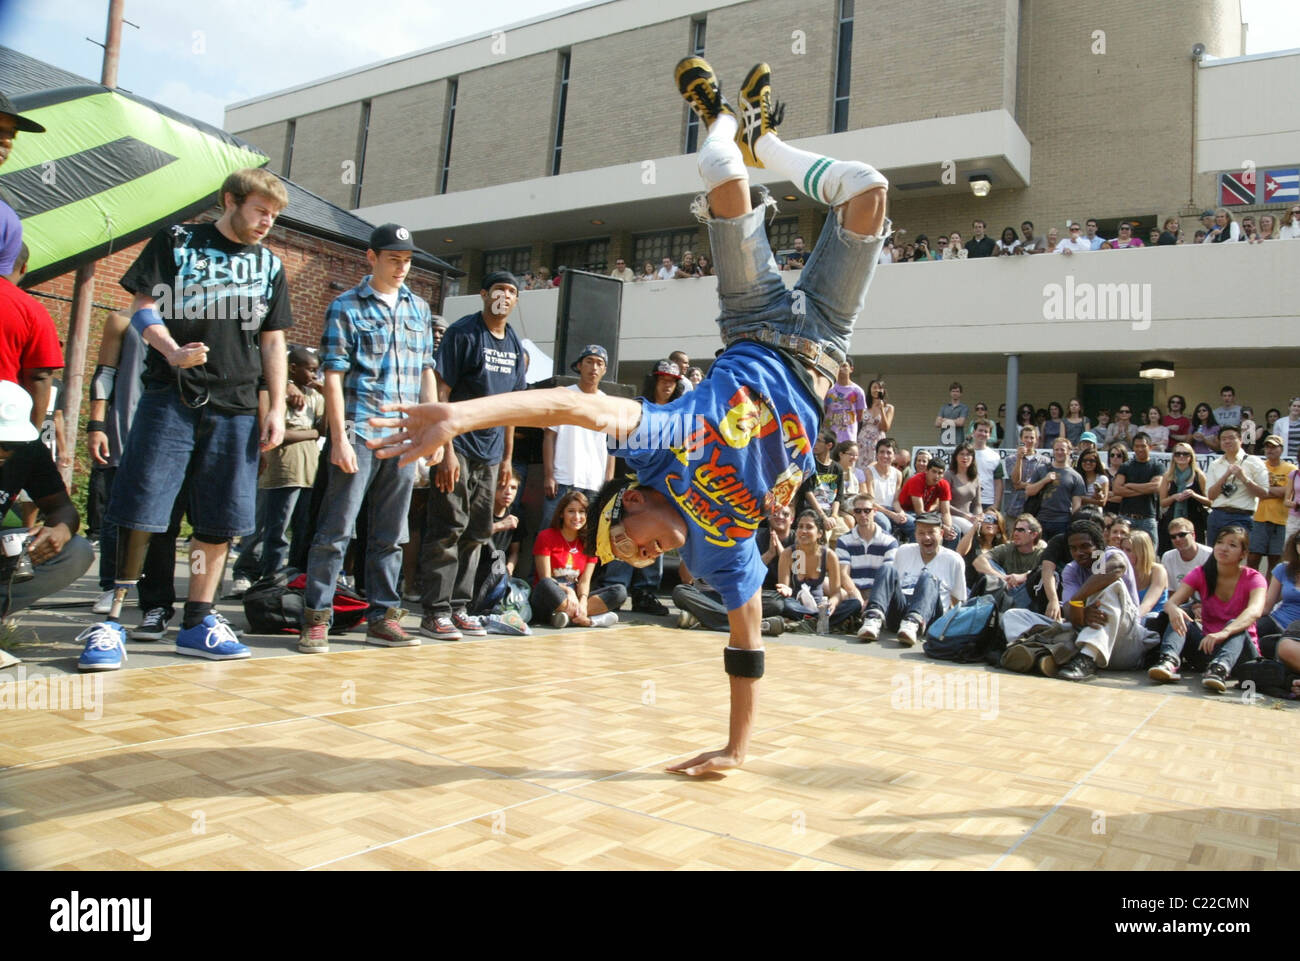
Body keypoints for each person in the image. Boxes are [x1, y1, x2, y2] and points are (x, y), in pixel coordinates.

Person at [369, 55, 892, 775]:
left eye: (634, 542)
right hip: (827, 342)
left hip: (754, 318)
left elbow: (572, 405)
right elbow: (746, 645)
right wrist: (737, 750)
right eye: (641, 558)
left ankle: (740, 130)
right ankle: (759, 137)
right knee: (868, 190)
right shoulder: (719, 554)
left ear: (635, 500)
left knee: (727, 178)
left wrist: (460, 416)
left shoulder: (668, 447)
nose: (647, 554)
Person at [87, 167, 292, 670]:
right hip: (171, 397)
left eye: (274, 215)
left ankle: (199, 620)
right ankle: (112, 621)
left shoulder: (269, 265)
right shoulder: (177, 240)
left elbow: (273, 341)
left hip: (238, 407)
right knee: (140, 506)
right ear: (231, 200)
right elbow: (141, 308)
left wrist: (277, 407)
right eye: (260, 210)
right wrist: (172, 351)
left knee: (220, 518)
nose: (267, 222)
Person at [297, 224, 437, 653]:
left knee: (391, 535)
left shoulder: (419, 309)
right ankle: (317, 618)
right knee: (336, 529)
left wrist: (432, 435)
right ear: (371, 257)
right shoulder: (345, 307)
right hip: (359, 431)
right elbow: (333, 377)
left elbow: (426, 372)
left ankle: (383, 617)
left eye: (408, 259)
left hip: (404, 437)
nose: (402, 267)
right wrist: (338, 438)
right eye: (394, 258)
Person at [417, 269, 528, 641]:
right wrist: (444, 450)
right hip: (458, 447)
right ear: (484, 294)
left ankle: (460, 607)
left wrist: (508, 460)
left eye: (512, 291)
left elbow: (512, 409)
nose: (505, 296)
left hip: (491, 453)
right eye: (499, 289)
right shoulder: (463, 333)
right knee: (448, 525)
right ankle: (434, 611)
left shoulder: (515, 345)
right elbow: (442, 393)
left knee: (477, 532)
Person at [0, 383, 93, 668]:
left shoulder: (28, 450)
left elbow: (62, 508)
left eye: (9, 446)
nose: (4, 452)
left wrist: (60, 530)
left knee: (76, 551)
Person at [1151, 526, 1265, 692]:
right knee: (1180, 614)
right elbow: (1171, 602)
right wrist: (1174, 609)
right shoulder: (1201, 573)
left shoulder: (1254, 578)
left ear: (1243, 553)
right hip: (1208, 646)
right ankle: (1169, 661)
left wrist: (1225, 632)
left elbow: (1255, 611)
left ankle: (1220, 669)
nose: (1224, 548)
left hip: (1242, 654)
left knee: (1236, 624)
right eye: (1220, 542)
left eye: (1232, 545)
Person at [1057, 516, 1159, 680]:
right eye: (1073, 548)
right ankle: (1040, 655)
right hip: (1088, 637)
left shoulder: (1113, 555)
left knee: (1112, 586)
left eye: (1085, 546)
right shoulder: (1071, 570)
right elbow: (1069, 611)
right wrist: (1082, 614)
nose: (1079, 553)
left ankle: (1086, 659)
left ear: (1099, 546)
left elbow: (1117, 568)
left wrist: (1079, 599)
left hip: (1125, 643)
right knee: (1016, 615)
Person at [260, 346, 324, 580]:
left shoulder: (315, 396)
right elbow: (279, 434)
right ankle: (270, 576)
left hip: (309, 472)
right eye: (311, 370)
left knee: (303, 528)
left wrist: (327, 394)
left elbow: (326, 428)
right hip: (284, 471)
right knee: (277, 530)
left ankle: (295, 576)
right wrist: (312, 433)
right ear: (293, 368)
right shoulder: (280, 394)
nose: (315, 376)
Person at [856, 512, 966, 645]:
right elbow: (891, 583)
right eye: (921, 533)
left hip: (930, 616)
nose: (926, 537)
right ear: (915, 535)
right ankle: (873, 618)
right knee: (887, 568)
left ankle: (913, 622)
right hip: (900, 611)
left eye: (931, 532)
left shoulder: (953, 559)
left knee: (928, 576)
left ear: (941, 534)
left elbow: (958, 600)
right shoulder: (903, 551)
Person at [540, 344, 615, 528]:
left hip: (594, 483)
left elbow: (612, 445)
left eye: (599, 363)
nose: (594, 367)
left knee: (587, 538)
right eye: (589, 361)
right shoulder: (564, 396)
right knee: (549, 531)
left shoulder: (608, 403)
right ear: (580, 365)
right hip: (563, 479)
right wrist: (549, 475)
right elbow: (549, 437)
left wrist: (608, 483)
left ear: (604, 370)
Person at [532, 490, 622, 628]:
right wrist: (569, 591)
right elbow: (546, 578)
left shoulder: (589, 544)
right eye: (571, 511)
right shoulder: (546, 536)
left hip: (576, 598)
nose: (577, 516)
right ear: (561, 514)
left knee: (619, 591)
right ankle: (590, 620)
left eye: (582, 512)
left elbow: (584, 582)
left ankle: (568, 617)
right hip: (549, 597)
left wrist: (583, 601)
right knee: (545, 585)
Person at [0, 244, 64, 431]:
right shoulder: (31, 311)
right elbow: (39, 376)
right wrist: (32, 434)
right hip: (5, 423)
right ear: (24, 268)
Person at [776, 510, 861, 630]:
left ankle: (811, 621)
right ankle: (821, 622)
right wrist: (786, 590)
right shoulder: (789, 553)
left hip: (821, 606)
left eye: (809, 527)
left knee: (854, 604)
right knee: (782, 604)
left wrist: (832, 603)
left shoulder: (829, 556)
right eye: (800, 527)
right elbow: (784, 591)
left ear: (819, 533)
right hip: (797, 606)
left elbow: (836, 593)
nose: (803, 531)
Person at [836, 491, 898, 629]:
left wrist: (872, 600)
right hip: (853, 591)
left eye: (867, 510)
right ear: (854, 513)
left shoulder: (889, 541)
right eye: (858, 511)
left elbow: (888, 577)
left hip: (878, 592)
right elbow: (843, 574)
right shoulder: (844, 541)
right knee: (835, 588)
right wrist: (858, 598)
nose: (863, 514)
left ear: (874, 512)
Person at [1205, 424, 1269, 545]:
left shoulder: (1254, 461)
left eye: (1231, 438)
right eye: (1223, 439)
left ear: (1240, 439)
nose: (1227, 441)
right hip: (1217, 514)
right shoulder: (1215, 464)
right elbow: (1211, 495)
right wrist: (1225, 476)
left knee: (1235, 556)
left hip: (1241, 516)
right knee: (1213, 556)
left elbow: (1264, 493)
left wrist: (1244, 478)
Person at [974, 513, 1045, 608]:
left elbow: (1047, 572)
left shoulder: (1041, 552)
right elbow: (978, 561)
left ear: (1033, 535)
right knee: (989, 563)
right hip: (1006, 590)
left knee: (1040, 574)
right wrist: (1002, 578)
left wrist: (1023, 577)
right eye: (1015, 529)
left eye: (1021, 530)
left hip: (1027, 597)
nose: (1015, 533)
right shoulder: (1008, 547)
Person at [1019, 436, 1084, 539]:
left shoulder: (1076, 477)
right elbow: (1029, 491)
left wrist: (1072, 524)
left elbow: (1076, 506)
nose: (1059, 452)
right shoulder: (1042, 469)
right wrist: (1044, 480)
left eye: (1062, 449)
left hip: (1063, 522)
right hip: (1040, 520)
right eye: (1056, 449)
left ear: (1069, 451)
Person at [1248, 435, 1295, 574]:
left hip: (1281, 519)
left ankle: (1270, 594)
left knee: (1276, 560)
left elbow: (1289, 491)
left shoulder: (1291, 469)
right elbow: (1252, 490)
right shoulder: (1258, 466)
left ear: (1281, 449)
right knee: (1253, 557)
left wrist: (1264, 491)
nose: (1270, 449)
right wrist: (1277, 492)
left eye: (1274, 446)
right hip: (1259, 518)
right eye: (1268, 446)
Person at [1157, 442, 1209, 550]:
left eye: (1185, 454)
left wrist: (1194, 495)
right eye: (1178, 454)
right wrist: (1174, 497)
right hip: (1172, 519)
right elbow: (1162, 502)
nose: (1181, 456)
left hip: (1194, 519)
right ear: (1173, 457)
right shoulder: (1168, 476)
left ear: (1191, 456)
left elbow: (1210, 501)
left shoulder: (1199, 475)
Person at [1112, 432, 1161, 544]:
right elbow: (1117, 490)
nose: (1139, 449)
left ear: (1150, 447)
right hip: (1126, 516)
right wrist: (1145, 489)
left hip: (1147, 517)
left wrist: (1130, 485)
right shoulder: (1126, 466)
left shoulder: (1157, 466)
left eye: (1143, 446)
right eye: (1136, 446)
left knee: (1150, 553)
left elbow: (1156, 486)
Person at [866, 437, 911, 540]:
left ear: (894, 456)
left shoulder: (898, 474)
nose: (885, 456)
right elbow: (871, 501)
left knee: (913, 525)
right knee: (886, 525)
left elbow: (895, 501)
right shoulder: (869, 472)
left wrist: (901, 513)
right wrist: (892, 515)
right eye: (881, 452)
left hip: (891, 509)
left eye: (889, 453)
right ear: (876, 454)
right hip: (875, 509)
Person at [1257, 531, 1300, 638]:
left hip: (1295, 634)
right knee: (1242, 630)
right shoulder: (1283, 569)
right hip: (1276, 622)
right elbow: (1267, 606)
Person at [1161, 517, 1211, 591]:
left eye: (1182, 535)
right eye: (1173, 537)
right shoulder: (1168, 557)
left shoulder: (1209, 555)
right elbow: (1170, 591)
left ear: (1193, 535)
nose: (1177, 539)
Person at [823, 359, 866, 445]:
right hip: (829, 436)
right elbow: (824, 410)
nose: (841, 369)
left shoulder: (858, 391)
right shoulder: (828, 389)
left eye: (844, 366)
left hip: (848, 436)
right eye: (838, 366)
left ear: (851, 369)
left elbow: (860, 416)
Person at [854, 378, 893, 470]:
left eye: (880, 388)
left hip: (878, 440)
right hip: (862, 440)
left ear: (883, 391)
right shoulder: (863, 406)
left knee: (876, 467)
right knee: (860, 467)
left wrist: (882, 409)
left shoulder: (889, 408)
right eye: (874, 387)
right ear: (870, 390)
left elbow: (885, 428)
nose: (877, 390)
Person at [934, 381, 968, 446]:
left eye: (957, 391)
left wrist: (944, 420)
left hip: (957, 441)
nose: (955, 393)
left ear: (961, 394)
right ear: (950, 393)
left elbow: (960, 423)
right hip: (944, 441)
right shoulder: (944, 407)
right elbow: (937, 423)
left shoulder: (964, 407)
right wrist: (955, 421)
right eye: (953, 391)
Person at [1076, 448, 1109, 513]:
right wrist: (1093, 500)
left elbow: (1102, 502)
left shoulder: (1102, 479)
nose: (1088, 463)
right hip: (1078, 513)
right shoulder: (1076, 477)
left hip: (1095, 515)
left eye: (1092, 460)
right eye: (1084, 460)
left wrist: (1080, 498)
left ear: (1097, 462)